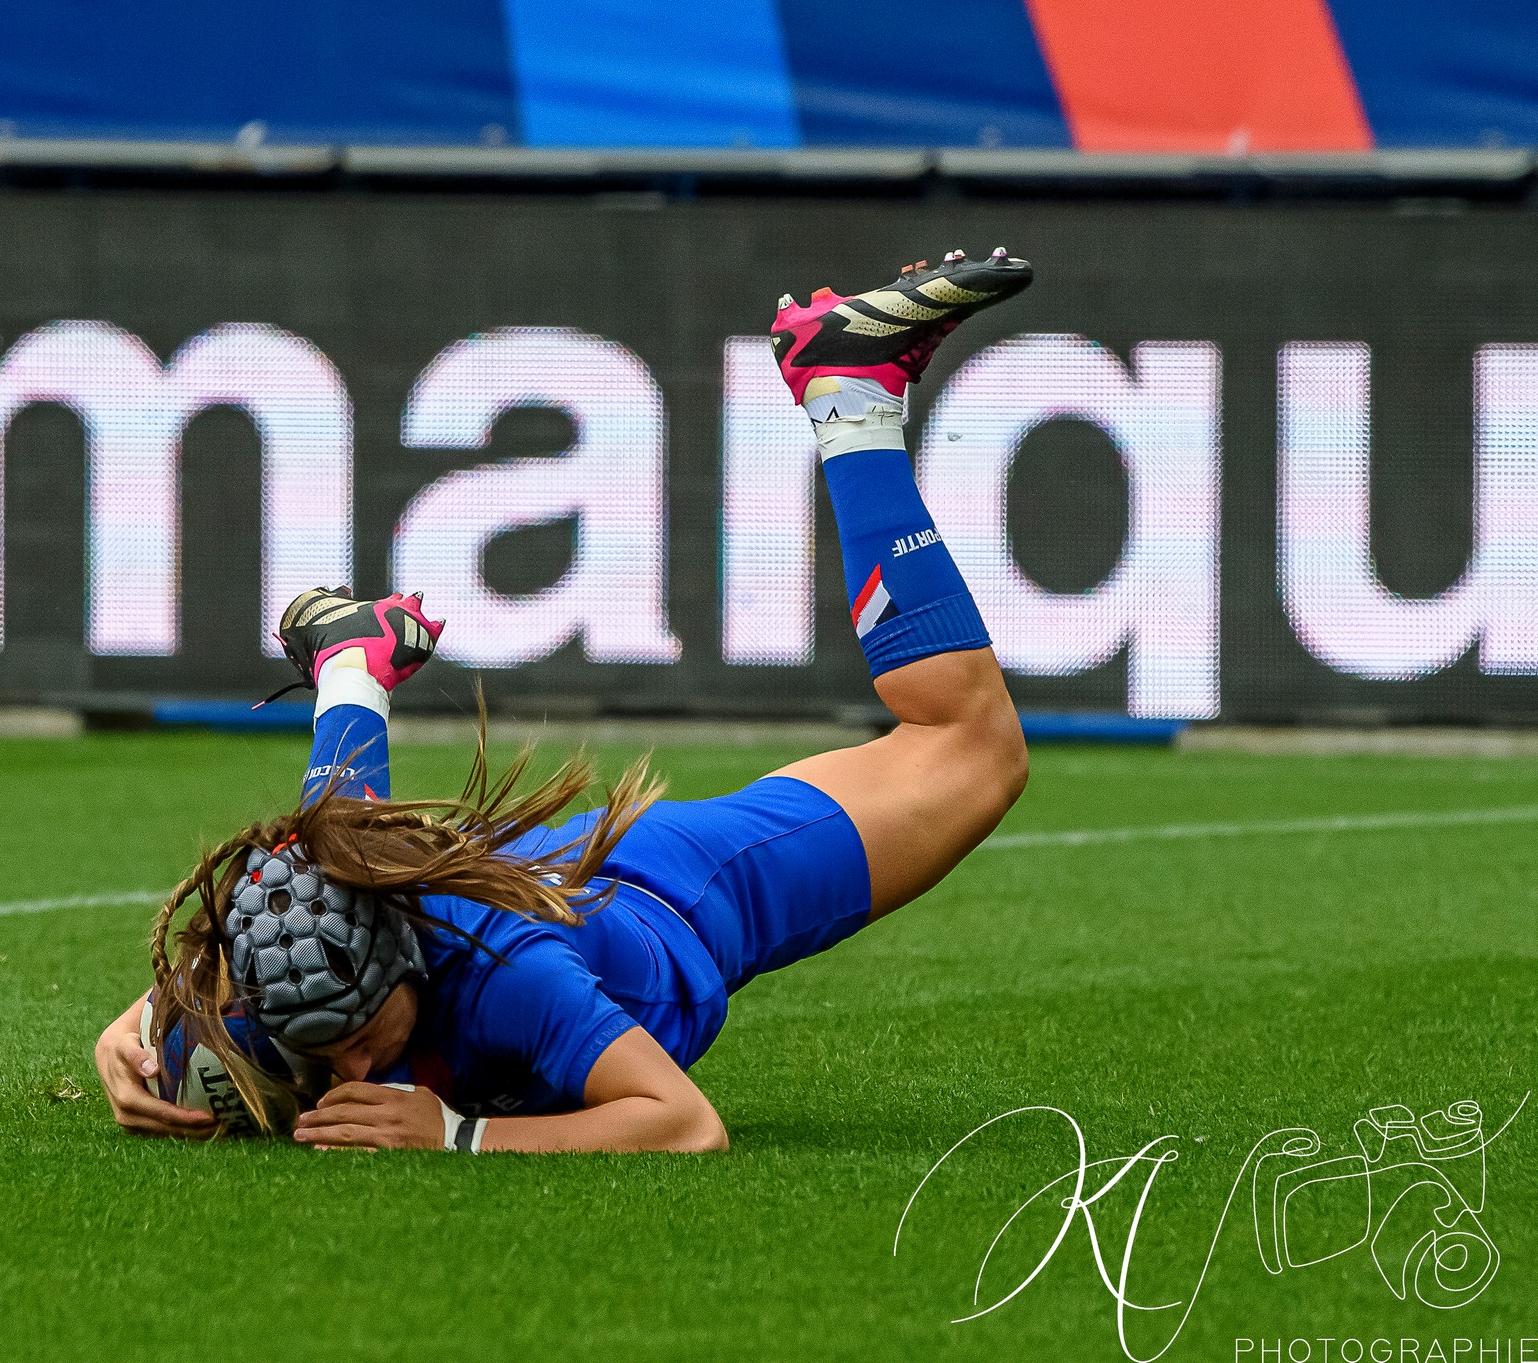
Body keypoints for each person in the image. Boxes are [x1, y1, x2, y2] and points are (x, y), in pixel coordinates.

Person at [94, 248, 1035, 1153]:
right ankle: (352, 663)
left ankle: (852, 398)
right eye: (321, 1042)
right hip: (519, 872)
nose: (348, 1065)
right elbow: (252, 941)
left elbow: (683, 1122)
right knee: (340, 835)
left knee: (973, 745)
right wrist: (129, 1036)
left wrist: (457, 1133)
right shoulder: (312, 961)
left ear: (405, 963)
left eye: (358, 1030)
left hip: (683, 886)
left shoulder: (515, 978)